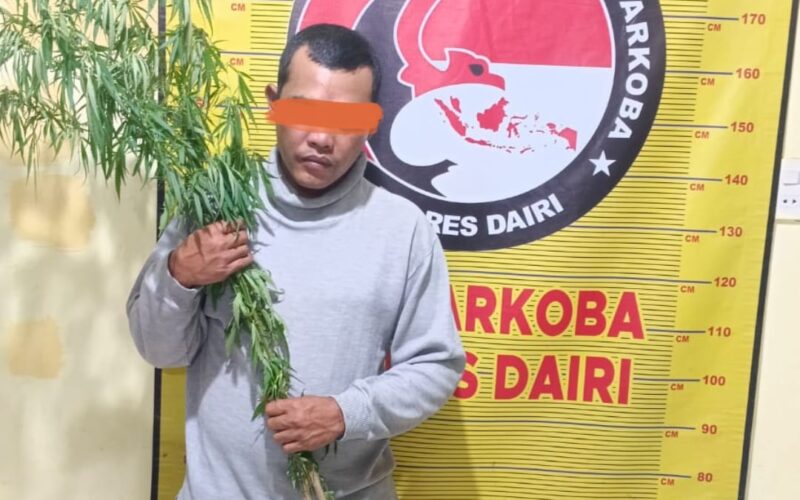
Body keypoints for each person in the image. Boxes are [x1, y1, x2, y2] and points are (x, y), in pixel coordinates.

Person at [127, 24, 465, 499]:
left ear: (372, 123)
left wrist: (345, 413)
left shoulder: (402, 229)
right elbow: (159, 351)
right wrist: (179, 276)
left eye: (346, 120)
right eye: (305, 111)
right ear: (273, 102)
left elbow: (436, 366)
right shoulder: (217, 205)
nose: (322, 138)